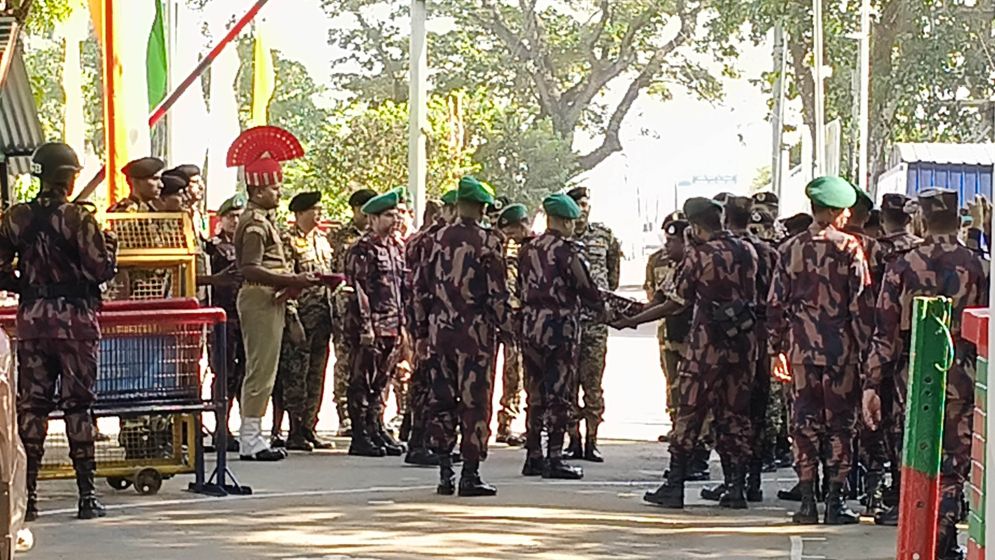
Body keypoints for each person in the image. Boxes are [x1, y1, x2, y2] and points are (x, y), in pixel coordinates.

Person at [863, 188, 987, 558]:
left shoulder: (902, 265)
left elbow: (884, 332)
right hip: (966, 377)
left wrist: (872, 383)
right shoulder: (980, 265)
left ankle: (922, 541)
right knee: (953, 467)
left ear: (921, 221)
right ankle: (944, 542)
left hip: (914, 381)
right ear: (958, 220)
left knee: (919, 459)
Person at [0, 143, 118, 520]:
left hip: (33, 321)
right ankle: (86, 496)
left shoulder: (16, 217)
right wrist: (109, 248)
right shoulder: (79, 219)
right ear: (69, 177)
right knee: (78, 406)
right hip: (76, 323)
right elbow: (101, 269)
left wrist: (27, 287)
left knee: (32, 407)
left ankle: (28, 497)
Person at [618, 197, 758, 510]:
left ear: (694, 227)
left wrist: (631, 320)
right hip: (743, 344)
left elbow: (675, 301)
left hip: (706, 346)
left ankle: (675, 484)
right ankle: (736, 487)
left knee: (690, 411)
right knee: (734, 415)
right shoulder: (747, 250)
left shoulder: (699, 255)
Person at [767, 176, 873, 525]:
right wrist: (865, 351)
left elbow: (776, 304)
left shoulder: (790, 249)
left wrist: (776, 349)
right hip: (840, 352)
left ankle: (807, 501)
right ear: (832, 211)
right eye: (843, 211)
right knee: (841, 425)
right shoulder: (850, 248)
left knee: (803, 423)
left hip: (800, 353)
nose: (846, 217)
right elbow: (860, 305)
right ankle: (835, 502)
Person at [414, 176, 512, 497]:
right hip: (477, 335)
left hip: (440, 332)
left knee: (441, 399)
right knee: (474, 401)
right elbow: (498, 292)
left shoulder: (434, 239)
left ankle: (445, 472)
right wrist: (507, 329)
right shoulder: (490, 241)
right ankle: (470, 473)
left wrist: (420, 332)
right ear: (482, 208)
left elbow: (420, 289)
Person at [228, 126, 319, 462]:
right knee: (260, 368)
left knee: (267, 368)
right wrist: (290, 278)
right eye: (274, 186)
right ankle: (250, 438)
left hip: (271, 296)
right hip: (259, 295)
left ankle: (256, 434)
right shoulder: (253, 223)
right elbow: (249, 267)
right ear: (258, 188)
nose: (279, 192)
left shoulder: (263, 220)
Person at [518, 194, 606, 481]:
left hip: (531, 326)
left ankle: (533, 454)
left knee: (534, 392)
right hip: (559, 328)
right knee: (559, 393)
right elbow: (586, 287)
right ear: (565, 221)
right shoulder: (567, 251)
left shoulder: (528, 249)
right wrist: (603, 308)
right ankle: (554, 457)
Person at [721, 196, 778, 503]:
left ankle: (734, 482)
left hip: (730, 341)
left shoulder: (724, 251)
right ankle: (752, 480)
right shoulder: (768, 253)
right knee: (757, 410)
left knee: (730, 412)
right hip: (762, 341)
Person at [344, 190, 407, 458]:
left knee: (382, 382)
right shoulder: (362, 249)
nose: (394, 220)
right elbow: (359, 290)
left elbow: (401, 287)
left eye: (396, 214)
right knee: (362, 380)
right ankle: (360, 434)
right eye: (388, 215)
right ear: (372, 218)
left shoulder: (396, 247)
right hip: (370, 327)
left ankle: (376, 426)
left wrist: (404, 325)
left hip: (393, 324)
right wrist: (366, 326)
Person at [274, 192, 336, 452]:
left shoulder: (322, 240)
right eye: (314, 210)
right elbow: (286, 279)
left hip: (322, 316)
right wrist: (292, 317)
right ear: (299, 214)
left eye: (320, 210)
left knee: (316, 375)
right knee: (295, 375)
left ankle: (310, 426)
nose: (319, 215)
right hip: (300, 317)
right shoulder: (288, 241)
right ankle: (295, 428)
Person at [565, 186, 621, 463]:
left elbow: (613, 274)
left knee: (593, 385)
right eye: (578, 204)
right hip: (568, 322)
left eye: (586, 203)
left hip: (595, 323)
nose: (583, 209)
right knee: (567, 384)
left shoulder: (604, 236)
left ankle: (592, 441)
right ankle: (572, 439)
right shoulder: (562, 240)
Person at [402, 190, 457, 466]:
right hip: (430, 320)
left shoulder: (439, 238)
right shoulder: (431, 240)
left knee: (433, 382)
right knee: (426, 381)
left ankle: (427, 439)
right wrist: (420, 330)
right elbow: (420, 287)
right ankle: (418, 441)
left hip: (435, 320)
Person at [327, 188, 377, 437]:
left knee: (370, 362)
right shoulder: (337, 236)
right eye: (365, 210)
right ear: (356, 209)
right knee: (345, 361)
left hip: (370, 308)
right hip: (345, 308)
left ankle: (371, 415)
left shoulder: (375, 238)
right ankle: (344, 415)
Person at [204, 194, 246, 453]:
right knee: (224, 373)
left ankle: (244, 426)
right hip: (222, 318)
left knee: (243, 374)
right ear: (221, 219)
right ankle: (222, 427)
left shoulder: (246, 247)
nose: (236, 220)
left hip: (244, 317)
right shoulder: (213, 247)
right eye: (231, 216)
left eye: (239, 217)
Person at [642, 211, 687, 443]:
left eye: (673, 240)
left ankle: (690, 436)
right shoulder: (657, 260)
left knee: (690, 386)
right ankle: (676, 426)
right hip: (667, 331)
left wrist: (631, 321)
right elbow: (655, 297)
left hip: (690, 337)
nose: (667, 245)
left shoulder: (693, 264)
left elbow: (670, 303)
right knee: (672, 380)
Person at [494, 203, 532, 447]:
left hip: (521, 318)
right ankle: (501, 424)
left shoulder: (535, 248)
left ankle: (509, 421)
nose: (510, 238)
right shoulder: (495, 246)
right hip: (499, 315)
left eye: (512, 232)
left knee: (515, 372)